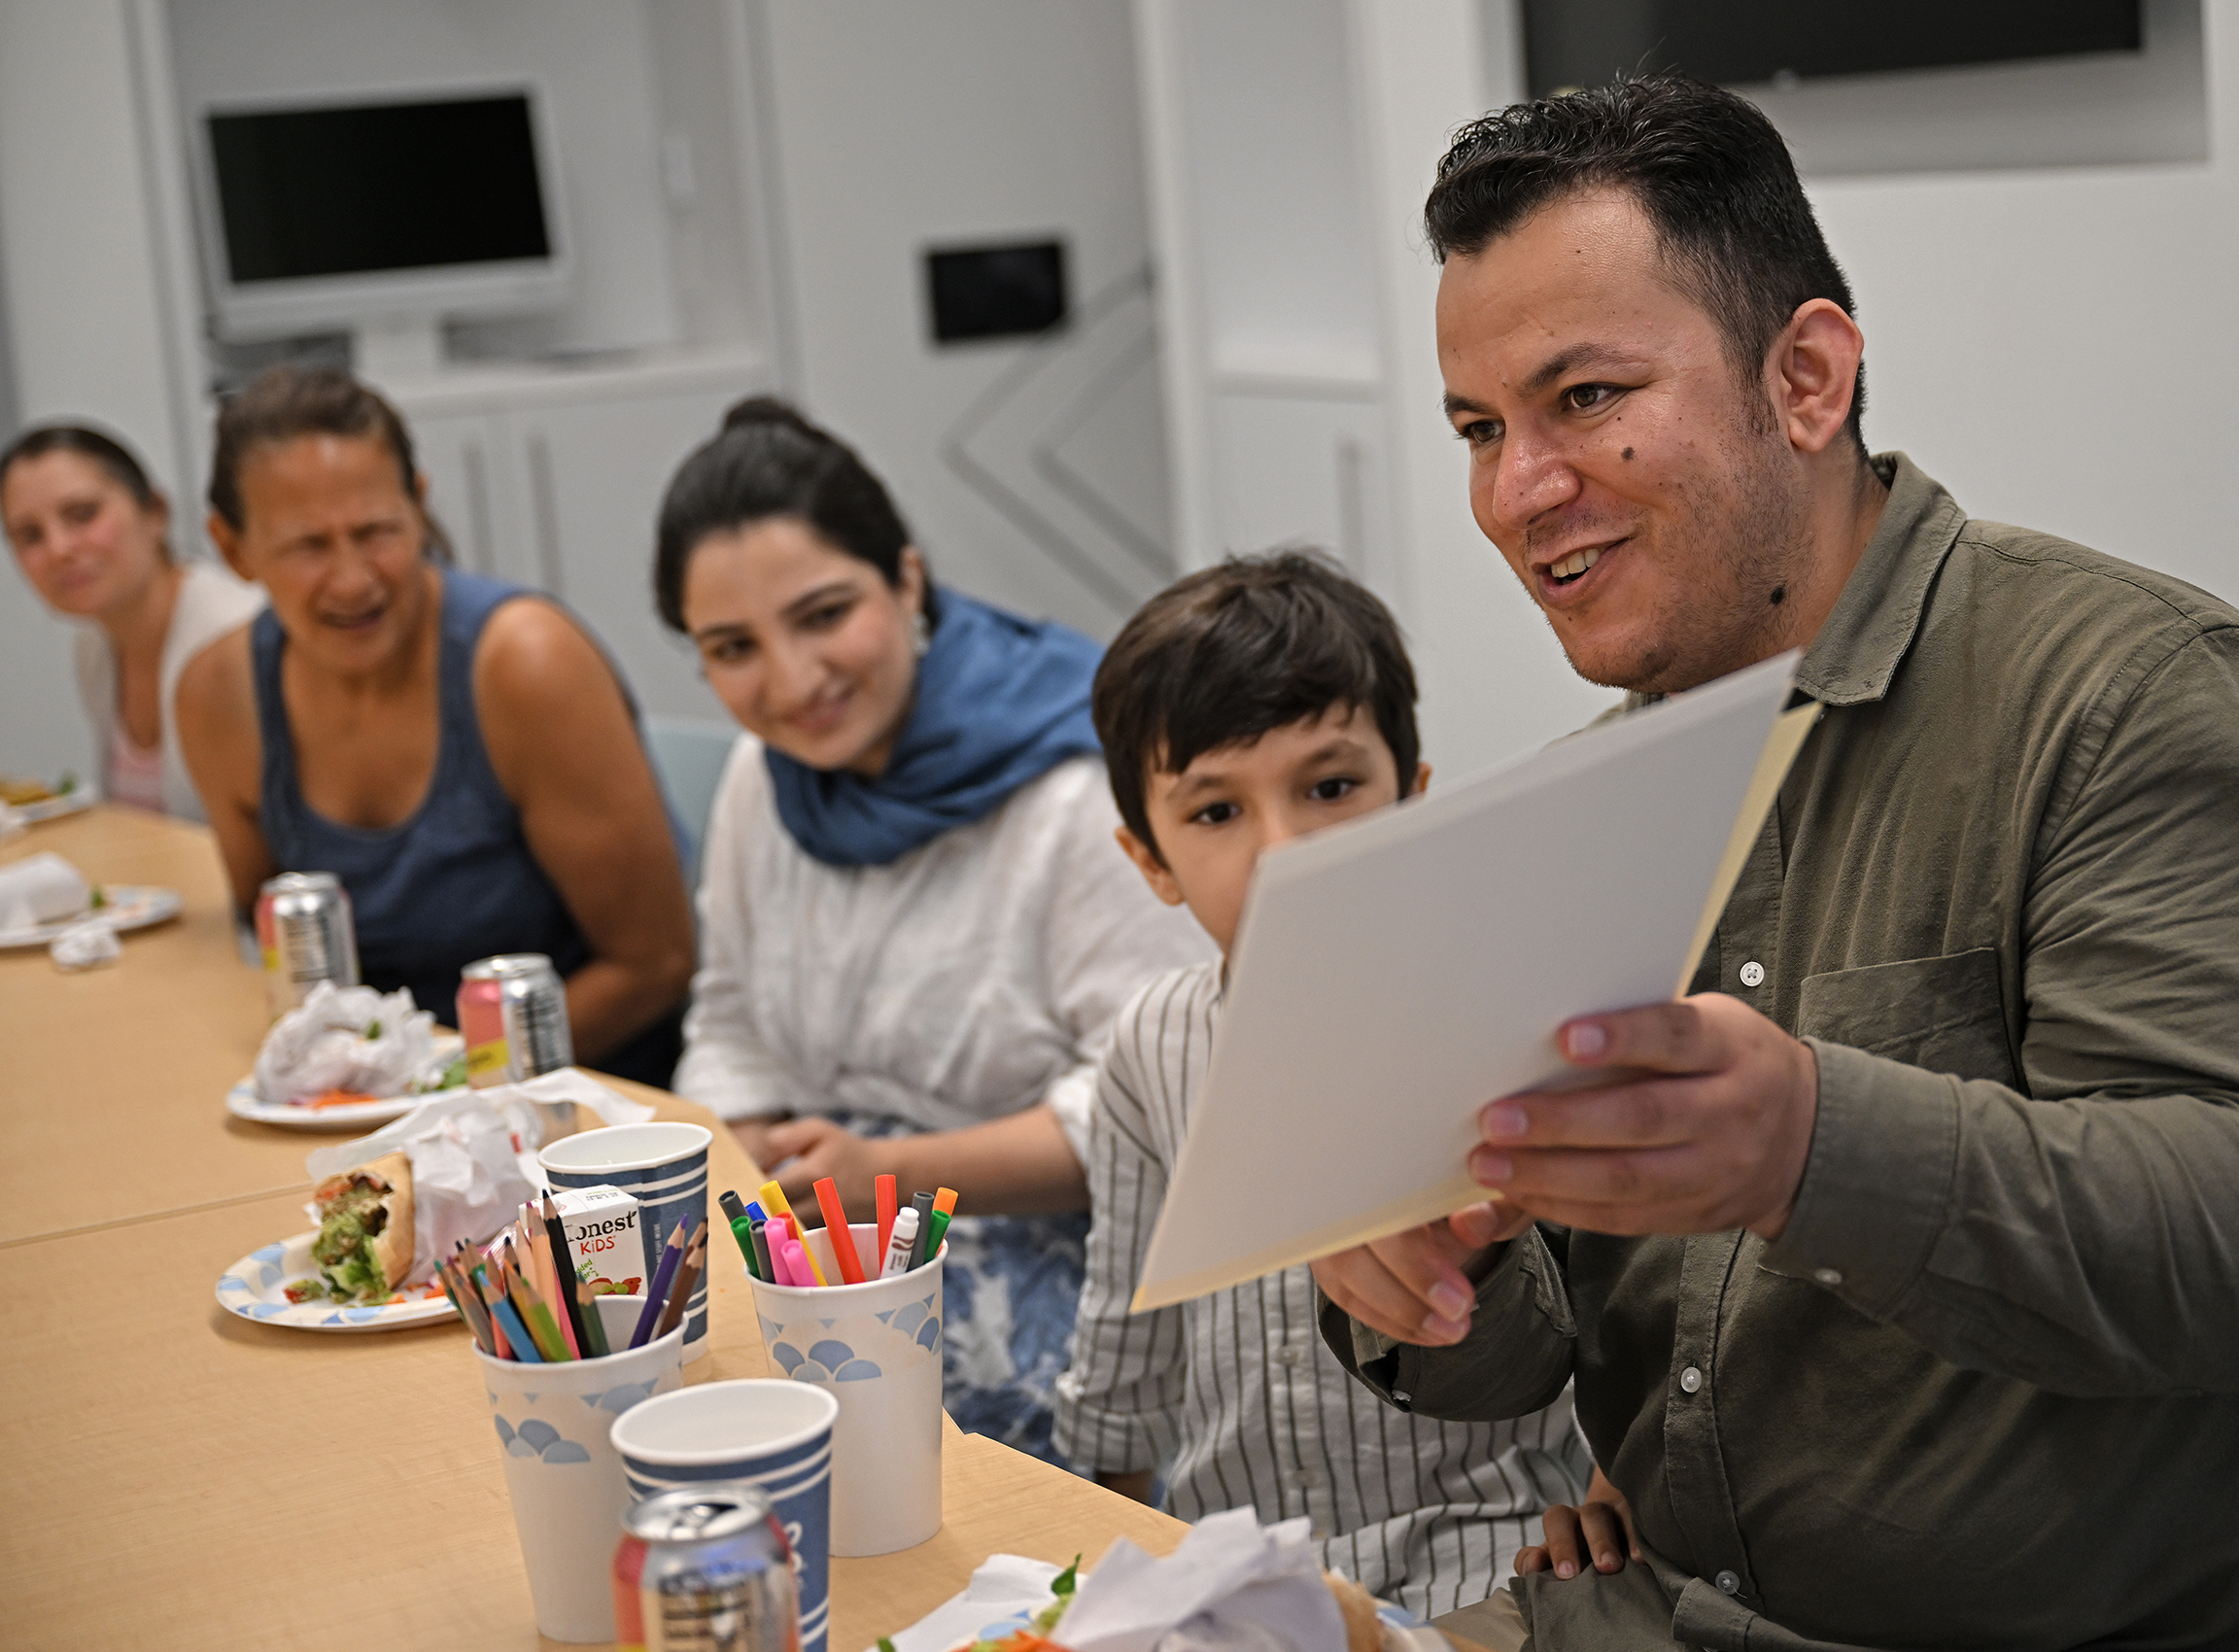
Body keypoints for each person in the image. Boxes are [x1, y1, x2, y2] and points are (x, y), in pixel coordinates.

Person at [1306, 73, 2239, 1652]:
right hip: (1635, 1614)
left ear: (1803, 377)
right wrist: (1395, 1270)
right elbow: (1516, 1351)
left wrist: (1808, 1145)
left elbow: (2211, 1233)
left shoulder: (2118, 693)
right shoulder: (1574, 808)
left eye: (1583, 398)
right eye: (1477, 428)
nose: (1510, 492)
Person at [657, 396, 1212, 1461]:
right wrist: (743, 1150)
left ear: (907, 581)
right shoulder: (762, 779)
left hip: (1069, 1267)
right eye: (732, 647)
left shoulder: (1073, 791)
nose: (790, 682)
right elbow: (729, 1016)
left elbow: (1157, 1100)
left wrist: (890, 1173)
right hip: (835, 1231)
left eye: (824, 614)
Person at [1051, 551, 1586, 1616]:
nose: (1284, 848)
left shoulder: (1514, 1021)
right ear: (1149, 859)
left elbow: (1626, 1313)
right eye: (1215, 813)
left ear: (1413, 801)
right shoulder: (1151, 1047)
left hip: (1488, 1564)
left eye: (1331, 787)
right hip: (1238, 1576)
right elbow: (1126, 1351)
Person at [175, 365, 695, 1085]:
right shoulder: (219, 696)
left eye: (377, 531)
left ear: (419, 507)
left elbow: (654, 964)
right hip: (373, 1102)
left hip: (581, 1101)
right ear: (233, 549)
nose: (354, 578)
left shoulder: (522, 666)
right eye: (308, 546)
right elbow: (286, 958)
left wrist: (444, 1089)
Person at [3, 425, 262, 819]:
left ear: (155, 511)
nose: (58, 549)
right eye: (29, 535)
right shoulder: (94, 645)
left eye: (82, 514)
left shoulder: (237, 635)